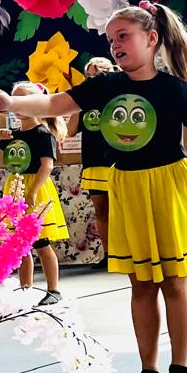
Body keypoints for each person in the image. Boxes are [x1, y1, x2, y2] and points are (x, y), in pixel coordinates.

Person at [0, 1, 187, 373]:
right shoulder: (106, 85)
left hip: (168, 185)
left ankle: (179, 368)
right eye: (111, 39)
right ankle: (148, 369)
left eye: (123, 36)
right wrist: (11, 103)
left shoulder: (173, 88)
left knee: (174, 281)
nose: (115, 45)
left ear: (152, 39)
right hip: (127, 185)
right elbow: (54, 104)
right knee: (141, 283)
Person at [0, 82, 67, 303]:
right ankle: (25, 289)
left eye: (24, 101)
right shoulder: (12, 134)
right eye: (15, 101)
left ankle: (53, 290)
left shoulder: (42, 133)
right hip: (15, 188)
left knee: (41, 243)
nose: (19, 107)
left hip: (35, 188)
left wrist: (33, 191)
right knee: (19, 245)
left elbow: (47, 165)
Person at [71, 56, 117, 257]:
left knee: (123, 210)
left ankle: (129, 253)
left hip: (118, 162)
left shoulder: (119, 98)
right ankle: (109, 254)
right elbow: (70, 131)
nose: (93, 80)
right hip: (94, 161)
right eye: (89, 77)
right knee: (101, 211)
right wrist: (78, 104)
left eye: (97, 75)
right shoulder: (86, 102)